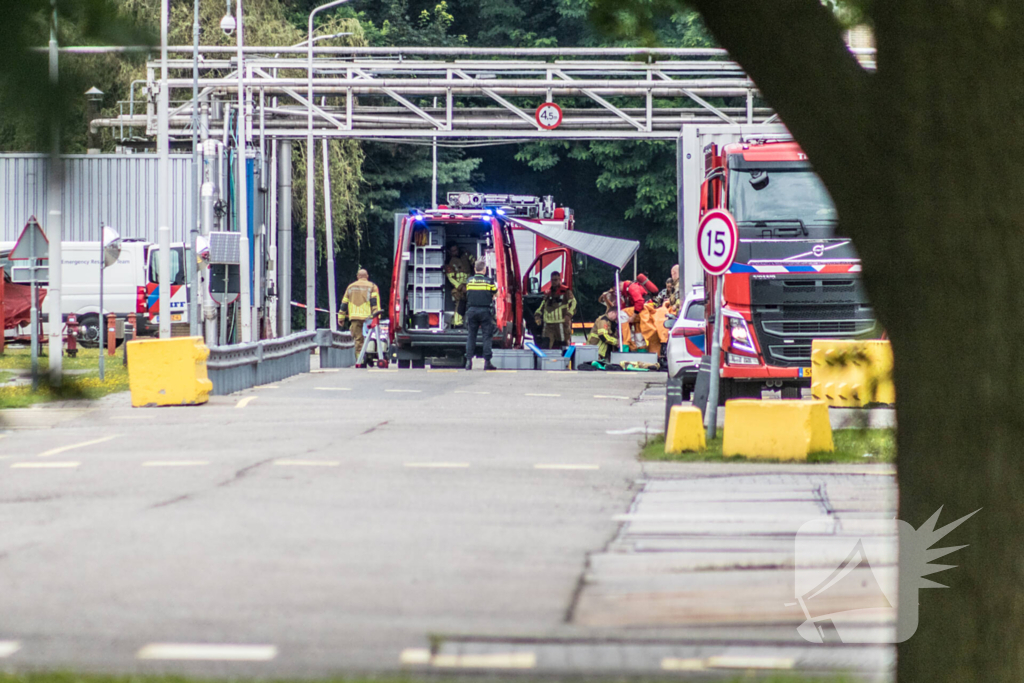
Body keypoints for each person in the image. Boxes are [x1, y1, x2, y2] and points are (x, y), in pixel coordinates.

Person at [339, 269, 380, 362]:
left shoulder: (350, 287)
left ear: (357, 277)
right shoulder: (372, 286)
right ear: (367, 276)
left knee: (358, 339)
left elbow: (344, 304)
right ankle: (369, 355)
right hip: (368, 317)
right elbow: (374, 302)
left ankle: (360, 360)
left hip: (355, 317)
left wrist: (341, 317)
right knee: (370, 337)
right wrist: (376, 315)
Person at [464, 261, 497, 371]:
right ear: (484, 270)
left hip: (472, 310)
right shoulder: (489, 281)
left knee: (471, 336)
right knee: (486, 336)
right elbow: (495, 294)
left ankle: (468, 361)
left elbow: (469, 294)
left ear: (475, 269)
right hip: (485, 311)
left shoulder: (469, 281)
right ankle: (487, 362)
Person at [533, 271, 577, 350]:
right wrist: (537, 315)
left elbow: (573, 303)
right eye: (552, 280)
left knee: (563, 346)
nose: (554, 282)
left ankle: (564, 361)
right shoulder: (548, 293)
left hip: (561, 324)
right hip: (548, 325)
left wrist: (569, 315)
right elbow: (542, 306)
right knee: (545, 346)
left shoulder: (565, 291)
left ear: (560, 280)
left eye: (556, 280)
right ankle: (546, 361)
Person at [444, 243, 474, 327]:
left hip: (470, 284)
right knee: (460, 301)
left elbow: (475, 262)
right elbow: (451, 278)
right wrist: (460, 287)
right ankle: (457, 322)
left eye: (456, 250)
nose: (455, 252)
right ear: (449, 252)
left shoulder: (466, 255)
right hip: (458, 287)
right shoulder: (449, 263)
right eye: (453, 251)